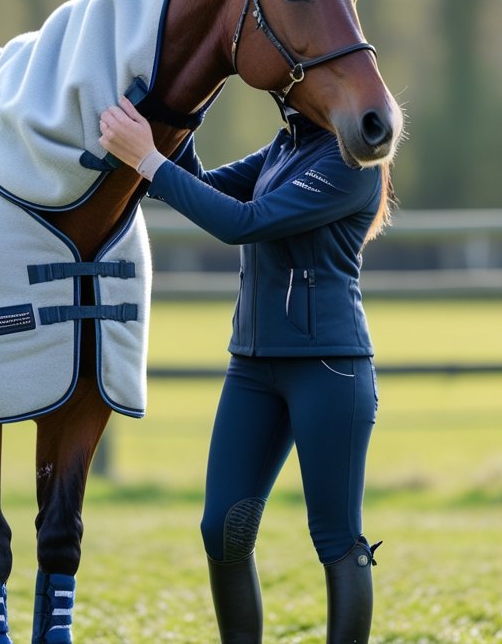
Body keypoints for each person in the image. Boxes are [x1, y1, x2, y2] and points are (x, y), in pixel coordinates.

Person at [99, 95, 385, 643]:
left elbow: (241, 222)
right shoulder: (286, 146)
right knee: (222, 531)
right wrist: (179, 113)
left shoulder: (351, 163)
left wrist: (148, 161)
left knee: (336, 537)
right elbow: (204, 185)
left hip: (329, 370)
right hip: (252, 368)